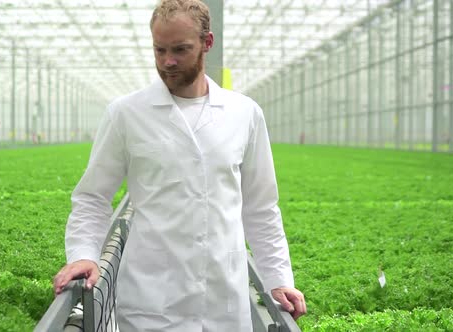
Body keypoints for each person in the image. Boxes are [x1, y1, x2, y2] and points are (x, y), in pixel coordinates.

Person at [53, 0, 306, 330]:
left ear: (207, 43)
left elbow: (261, 208)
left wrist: (278, 279)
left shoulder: (244, 113)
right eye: (159, 50)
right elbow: (92, 197)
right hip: (151, 303)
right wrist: (84, 255)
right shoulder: (127, 114)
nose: (167, 62)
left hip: (224, 302)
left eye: (180, 50)